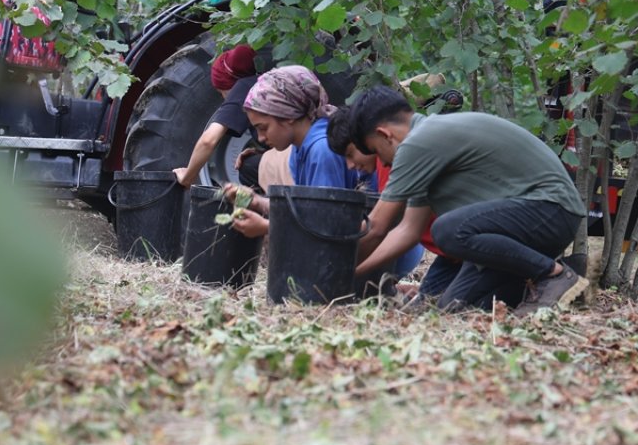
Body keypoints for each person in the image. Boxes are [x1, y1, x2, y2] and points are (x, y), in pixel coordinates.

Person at [348, 86, 589, 314]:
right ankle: (552, 286)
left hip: (552, 210)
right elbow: (408, 231)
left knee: (447, 229)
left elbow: (377, 227)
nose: (385, 164)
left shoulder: (418, 142)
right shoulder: (423, 148)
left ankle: (555, 275)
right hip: (530, 224)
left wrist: (340, 272)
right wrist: (357, 272)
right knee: (452, 308)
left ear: (384, 134)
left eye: (378, 152)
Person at [224, 66, 368, 239]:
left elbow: (326, 224)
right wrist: (256, 201)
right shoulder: (300, 148)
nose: (261, 138)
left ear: (288, 115)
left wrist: (267, 227)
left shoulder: (322, 149)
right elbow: (306, 210)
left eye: (263, 128)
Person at [326, 107, 444, 297]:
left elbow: (378, 228)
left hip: (464, 247)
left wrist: (338, 270)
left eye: (350, 153)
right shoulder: (387, 164)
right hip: (449, 254)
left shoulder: (394, 161)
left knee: (451, 303)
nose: (350, 165)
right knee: (431, 301)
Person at [173, 45, 263, 191]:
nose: (223, 98)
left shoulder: (243, 87)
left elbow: (208, 141)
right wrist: (265, 153)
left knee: (248, 168)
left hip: (295, 162)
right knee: (250, 164)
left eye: (220, 91)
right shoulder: (264, 81)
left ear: (230, 85)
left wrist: (187, 177)